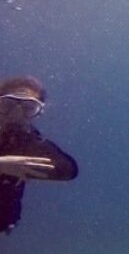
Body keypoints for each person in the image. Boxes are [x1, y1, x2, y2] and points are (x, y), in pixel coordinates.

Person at [0, 75, 78, 236]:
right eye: (8, 105)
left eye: (28, 108)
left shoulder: (29, 142)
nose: (16, 114)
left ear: (39, 112)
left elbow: (67, 170)